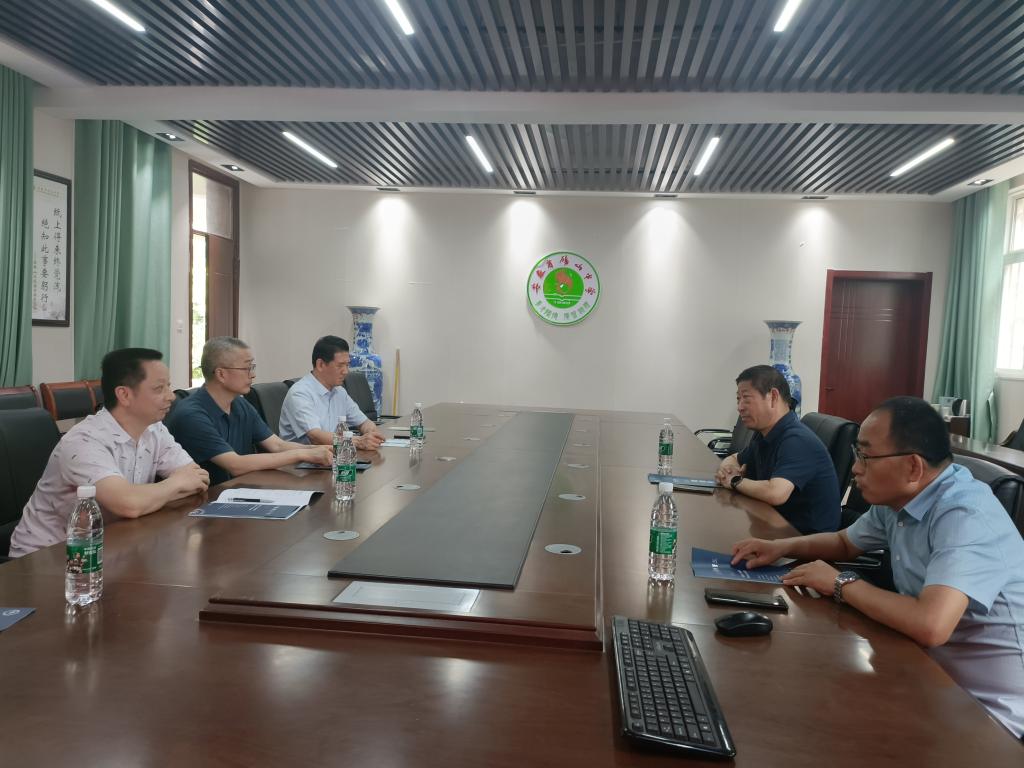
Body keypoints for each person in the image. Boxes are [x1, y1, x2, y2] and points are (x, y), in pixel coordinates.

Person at [731, 397, 1024, 739]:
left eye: (866, 457)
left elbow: (931, 625)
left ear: (912, 467)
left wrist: (841, 583)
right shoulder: (901, 497)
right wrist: (781, 547)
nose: (855, 468)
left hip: (990, 715)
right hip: (928, 673)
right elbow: (845, 542)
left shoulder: (964, 515)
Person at [9, 348, 210, 557]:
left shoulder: (154, 429)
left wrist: (146, 498)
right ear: (124, 395)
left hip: (113, 546)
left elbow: (198, 480)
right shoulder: (84, 440)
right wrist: (175, 484)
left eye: (169, 385)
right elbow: (129, 505)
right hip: (47, 558)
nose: (171, 396)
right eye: (159, 388)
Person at [167, 337, 333, 485]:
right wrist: (302, 455)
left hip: (238, 491)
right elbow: (235, 465)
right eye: (247, 368)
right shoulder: (192, 414)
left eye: (252, 367)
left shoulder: (239, 404)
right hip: (202, 502)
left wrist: (321, 450)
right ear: (221, 374)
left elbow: (277, 445)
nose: (252, 375)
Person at [714, 365, 840, 534]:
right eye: (738, 399)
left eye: (746, 398)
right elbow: (734, 458)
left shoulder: (797, 440)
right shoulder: (765, 433)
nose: (740, 407)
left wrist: (735, 481)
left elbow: (776, 493)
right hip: (773, 525)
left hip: (805, 540)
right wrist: (728, 470)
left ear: (773, 397)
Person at [279, 335, 385, 451]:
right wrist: (358, 441)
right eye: (340, 365)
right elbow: (316, 437)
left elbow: (364, 422)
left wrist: (370, 434)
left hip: (333, 456)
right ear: (320, 365)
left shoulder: (339, 392)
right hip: (301, 460)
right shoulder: (300, 393)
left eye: (347, 365)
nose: (346, 371)